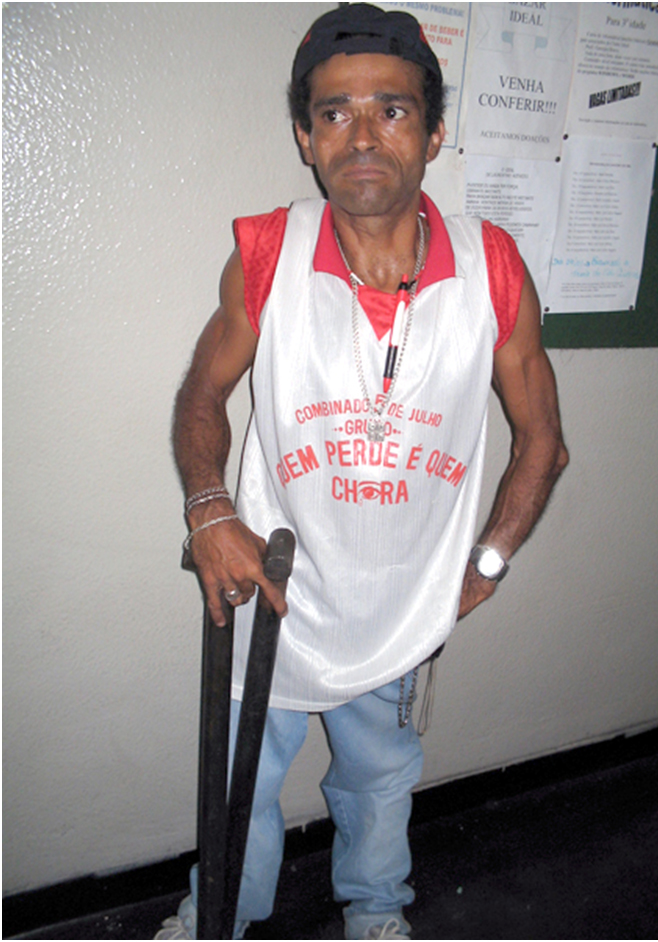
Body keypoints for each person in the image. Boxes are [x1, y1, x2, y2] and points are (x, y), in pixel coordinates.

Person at [157, 5, 568, 940]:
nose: (363, 136)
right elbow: (202, 392)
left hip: (402, 594)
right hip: (273, 584)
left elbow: (543, 439)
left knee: (380, 778)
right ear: (305, 137)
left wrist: (486, 564)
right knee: (241, 779)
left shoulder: (492, 266)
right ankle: (215, 916)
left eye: (392, 109)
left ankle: (377, 911)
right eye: (334, 113)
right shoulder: (269, 252)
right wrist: (210, 509)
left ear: (433, 131)